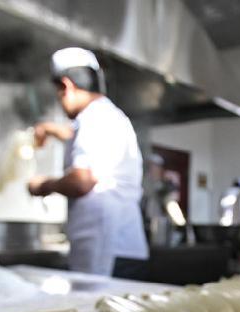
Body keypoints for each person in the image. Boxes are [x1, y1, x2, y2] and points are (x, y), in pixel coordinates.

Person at [27, 47, 149, 279]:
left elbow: (82, 181)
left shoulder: (94, 119)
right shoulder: (106, 116)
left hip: (105, 253)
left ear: (66, 86)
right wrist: (50, 130)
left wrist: (42, 185)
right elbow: (85, 143)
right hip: (118, 247)